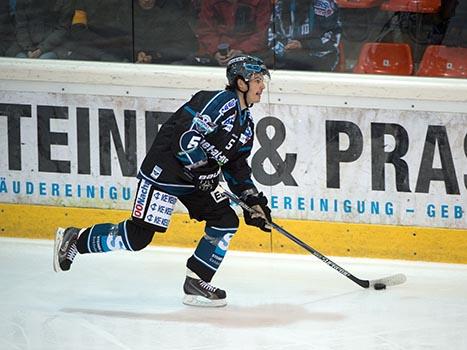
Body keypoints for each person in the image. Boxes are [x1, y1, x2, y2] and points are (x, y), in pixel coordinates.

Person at [53, 55, 273, 308]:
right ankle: (75, 239)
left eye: (262, 80)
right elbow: (185, 138)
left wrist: (253, 201)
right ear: (240, 83)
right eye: (257, 80)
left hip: (196, 181)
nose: (262, 86)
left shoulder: (245, 124)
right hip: (165, 173)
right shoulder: (218, 102)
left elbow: (237, 166)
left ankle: (196, 281)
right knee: (137, 238)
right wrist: (201, 170)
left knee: (225, 221)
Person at [268, 0, 342, 71]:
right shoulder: (280, 5)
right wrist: (284, 47)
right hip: (286, 58)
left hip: (318, 59)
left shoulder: (325, 4)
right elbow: (271, 36)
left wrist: (303, 45)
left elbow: (332, 40)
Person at [195, 0, 272, 66]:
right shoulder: (209, 2)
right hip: (216, 57)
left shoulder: (261, 1)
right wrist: (215, 52)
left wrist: (241, 51)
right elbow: (205, 30)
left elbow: (263, 34)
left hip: (252, 56)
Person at [133, 0, 198, 64]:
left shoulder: (172, 12)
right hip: (130, 63)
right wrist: (136, 53)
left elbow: (189, 44)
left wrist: (156, 55)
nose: (147, 0)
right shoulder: (125, 11)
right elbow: (124, 40)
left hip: (166, 64)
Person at [66, 0, 132, 61]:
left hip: (117, 51)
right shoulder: (83, 3)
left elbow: (129, 36)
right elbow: (77, 31)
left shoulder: (125, 4)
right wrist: (106, 42)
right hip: (88, 48)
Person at [7, 0, 72, 59]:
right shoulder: (23, 2)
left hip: (54, 46)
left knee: (44, 59)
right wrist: (28, 48)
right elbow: (21, 26)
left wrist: (41, 49)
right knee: (20, 59)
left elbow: (63, 29)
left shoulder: (64, 2)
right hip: (24, 46)